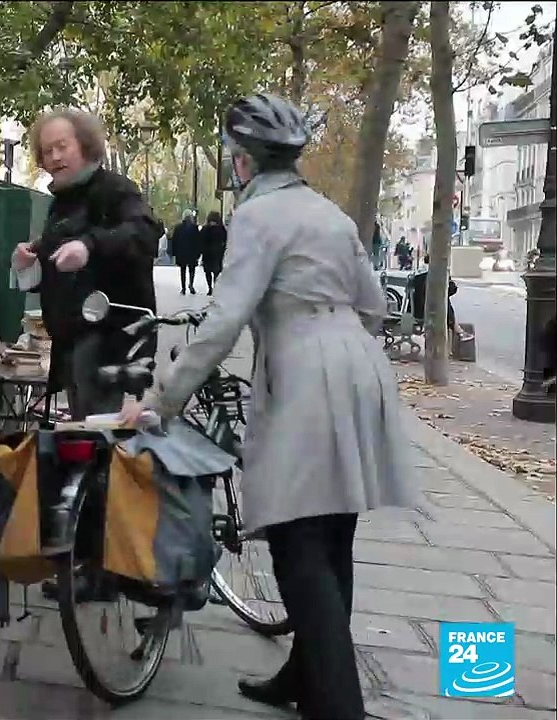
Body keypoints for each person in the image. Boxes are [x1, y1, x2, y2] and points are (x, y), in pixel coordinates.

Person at [119, 93, 417, 720]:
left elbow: (225, 318)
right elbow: (375, 306)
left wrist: (163, 401)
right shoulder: (329, 214)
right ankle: (305, 675)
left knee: (297, 542)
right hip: (360, 365)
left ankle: (339, 706)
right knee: (334, 534)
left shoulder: (258, 217)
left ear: (243, 162)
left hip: (307, 374)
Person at [12, 108, 164, 422]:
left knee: (106, 444)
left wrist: (89, 246)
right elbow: (60, 268)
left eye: (62, 146)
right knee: (86, 439)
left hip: (111, 347)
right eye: (47, 150)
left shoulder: (114, 189)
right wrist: (29, 261)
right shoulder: (62, 202)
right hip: (72, 346)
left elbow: (146, 232)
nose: (54, 156)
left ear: (84, 144)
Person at [408, 258, 473, 341]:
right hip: (431, 311)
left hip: (415, 310)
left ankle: (457, 329)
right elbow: (452, 289)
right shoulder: (437, 274)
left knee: (441, 299)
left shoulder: (419, 273)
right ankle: (457, 330)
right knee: (443, 301)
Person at [169, 209, 203, 294]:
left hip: (181, 252)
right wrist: (198, 253)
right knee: (192, 270)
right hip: (192, 252)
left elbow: (174, 240)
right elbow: (198, 241)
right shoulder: (194, 228)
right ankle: (191, 284)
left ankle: (183, 288)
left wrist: (173, 253)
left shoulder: (178, 228)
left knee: (182, 270)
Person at [199, 210, 228, 294]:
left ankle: (210, 288)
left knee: (207, 271)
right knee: (216, 271)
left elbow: (201, 240)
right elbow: (225, 239)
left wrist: (202, 250)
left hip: (207, 253)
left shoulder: (205, 229)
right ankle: (215, 286)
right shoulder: (221, 229)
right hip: (217, 253)